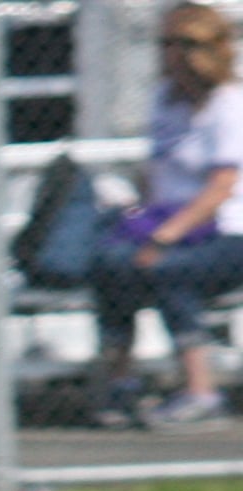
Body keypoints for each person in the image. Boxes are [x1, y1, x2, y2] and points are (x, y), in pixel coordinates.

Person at [88, 3, 243, 429]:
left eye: (180, 44)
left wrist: (163, 239)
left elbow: (220, 188)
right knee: (111, 264)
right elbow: (154, 174)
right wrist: (141, 223)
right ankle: (120, 382)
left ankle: (201, 391)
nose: (169, 54)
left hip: (226, 233)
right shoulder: (165, 100)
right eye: (164, 44)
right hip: (170, 223)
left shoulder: (228, 105)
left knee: (169, 272)